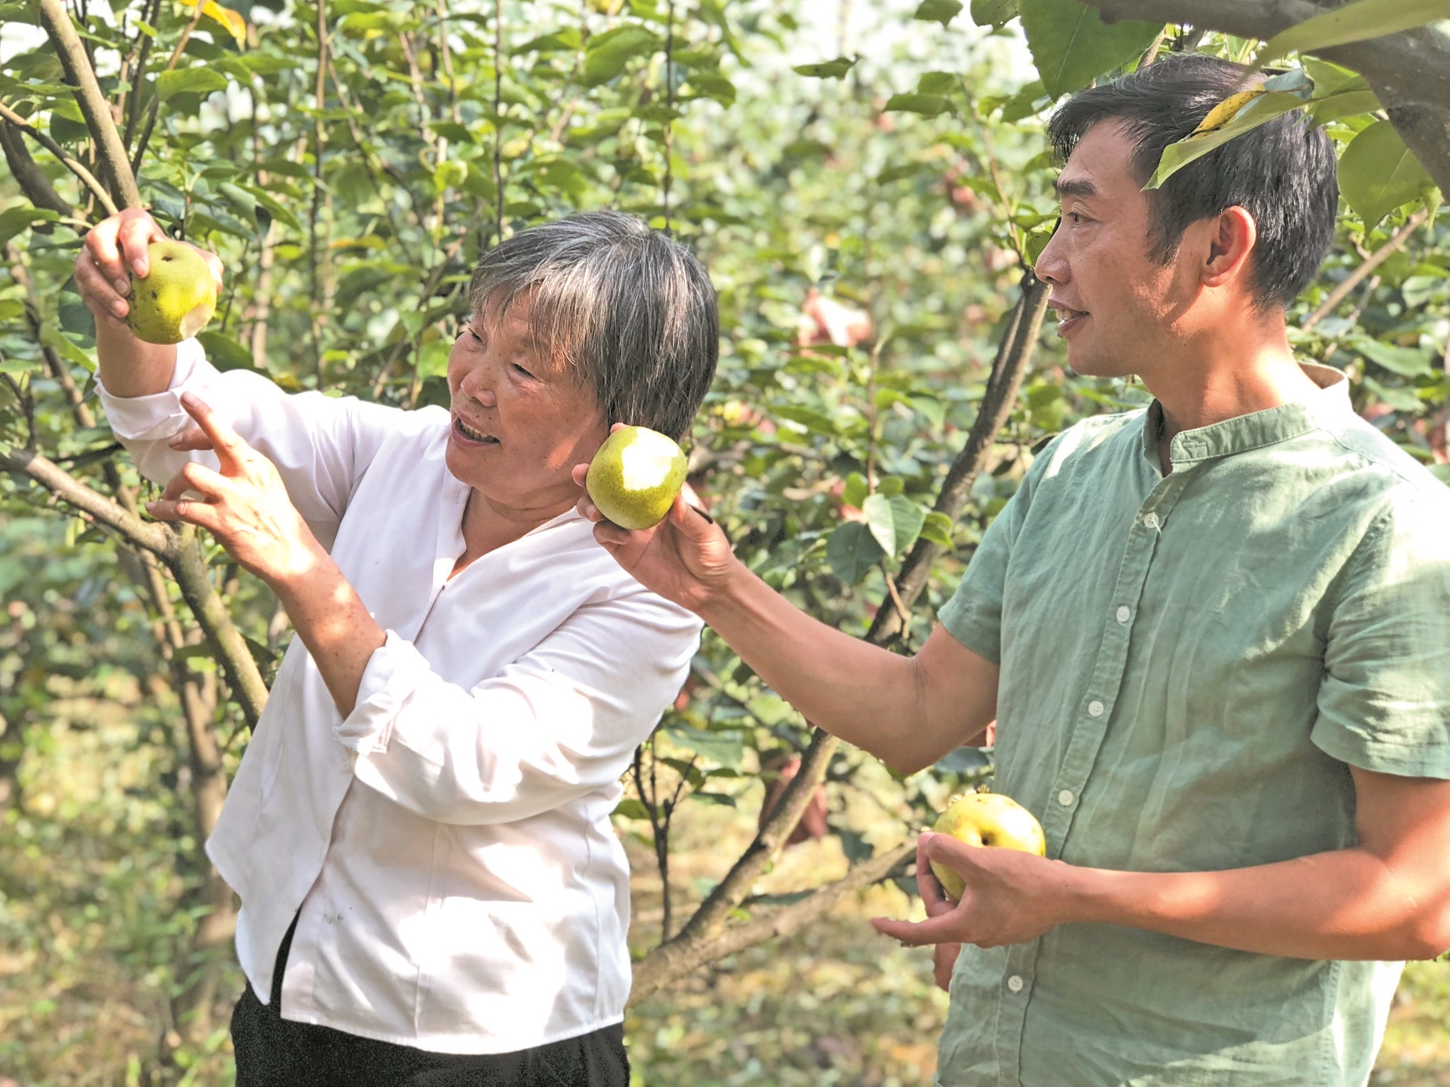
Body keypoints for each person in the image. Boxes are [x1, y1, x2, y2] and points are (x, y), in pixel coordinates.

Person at [577, 55, 1450, 1086]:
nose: (1046, 260)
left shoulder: (1384, 528)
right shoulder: (1070, 472)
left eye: (1081, 220)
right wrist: (712, 586)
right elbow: (915, 712)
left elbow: (1412, 899)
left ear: (1217, 245)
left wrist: (1073, 896)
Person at [77, 207, 718, 1087]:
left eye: (523, 366)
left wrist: (305, 571)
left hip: (482, 1040)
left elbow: (464, 763)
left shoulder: (643, 590)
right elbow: (170, 417)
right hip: (290, 985)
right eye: (474, 334)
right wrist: (128, 307)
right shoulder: (404, 454)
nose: (472, 381)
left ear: (626, 421)